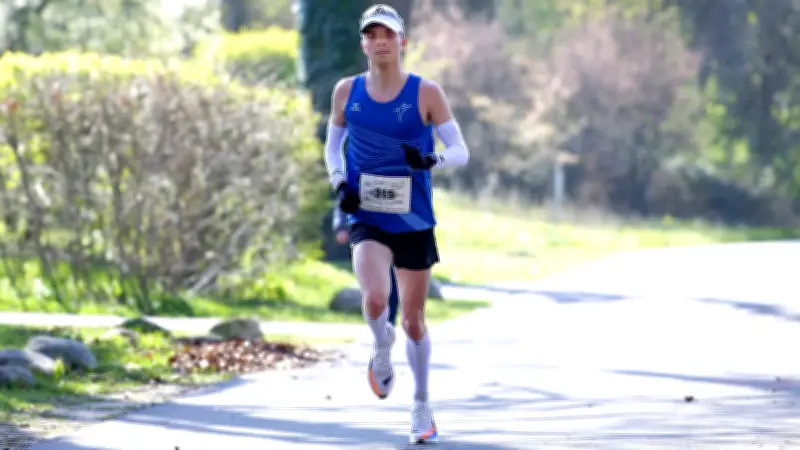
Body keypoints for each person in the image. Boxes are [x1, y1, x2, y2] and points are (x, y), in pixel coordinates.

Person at [322, 4, 470, 444]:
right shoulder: (346, 92)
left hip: (413, 219)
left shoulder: (426, 92)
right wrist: (340, 184)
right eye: (372, 34)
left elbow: (460, 151)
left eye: (388, 34)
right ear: (363, 44)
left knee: (414, 321)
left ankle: (421, 405)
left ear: (402, 41)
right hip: (366, 213)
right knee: (373, 300)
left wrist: (430, 160)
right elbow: (332, 147)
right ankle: (379, 345)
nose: (380, 41)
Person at [332, 204, 400, 326]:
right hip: (366, 230)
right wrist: (341, 226)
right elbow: (345, 197)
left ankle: (389, 321)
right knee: (372, 280)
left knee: (392, 278)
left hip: (396, 229)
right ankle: (377, 319)